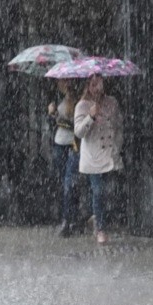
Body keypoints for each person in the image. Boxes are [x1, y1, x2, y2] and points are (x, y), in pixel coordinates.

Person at [73, 74, 124, 245]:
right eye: (93, 84)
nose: (97, 88)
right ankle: (100, 228)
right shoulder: (82, 105)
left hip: (109, 156)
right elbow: (79, 132)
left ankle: (97, 217)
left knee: (110, 192)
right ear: (88, 86)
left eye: (99, 83)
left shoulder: (112, 102)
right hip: (93, 157)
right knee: (98, 191)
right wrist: (90, 117)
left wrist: (117, 147)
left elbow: (118, 126)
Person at [48, 78, 84, 237]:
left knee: (69, 184)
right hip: (59, 144)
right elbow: (57, 123)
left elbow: (75, 124)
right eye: (60, 81)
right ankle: (72, 218)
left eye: (64, 81)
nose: (61, 84)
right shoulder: (58, 98)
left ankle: (67, 220)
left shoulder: (79, 99)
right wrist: (53, 114)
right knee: (64, 184)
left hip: (73, 145)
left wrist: (62, 115)